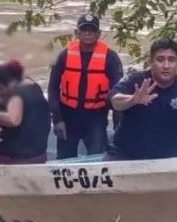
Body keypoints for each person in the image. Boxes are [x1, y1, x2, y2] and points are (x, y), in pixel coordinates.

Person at [107, 38, 177, 161]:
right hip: (121, 156)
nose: (166, 66)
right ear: (151, 61)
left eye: (171, 60)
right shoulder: (135, 80)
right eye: (160, 59)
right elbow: (114, 100)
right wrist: (133, 100)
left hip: (164, 162)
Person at [48, 14, 123, 159]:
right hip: (68, 116)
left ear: (99, 34)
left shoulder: (111, 58)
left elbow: (118, 93)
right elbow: (52, 88)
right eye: (84, 30)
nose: (88, 33)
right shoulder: (64, 56)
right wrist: (57, 119)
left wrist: (117, 124)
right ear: (77, 33)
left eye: (92, 30)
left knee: (96, 159)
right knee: (64, 159)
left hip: (96, 117)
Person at [0, 60, 50, 165]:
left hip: (21, 156)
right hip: (39, 151)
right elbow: (27, 117)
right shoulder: (33, 86)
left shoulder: (16, 94)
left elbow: (13, 120)